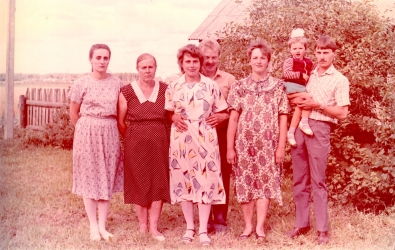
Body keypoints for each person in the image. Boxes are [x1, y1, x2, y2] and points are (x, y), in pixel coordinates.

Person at [286, 36, 350, 245]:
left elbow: (342, 113)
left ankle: (322, 229)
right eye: (319, 52)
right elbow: (293, 95)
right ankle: (302, 224)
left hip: (320, 128)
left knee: (318, 180)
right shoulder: (308, 74)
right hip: (300, 129)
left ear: (333, 54)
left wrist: (317, 105)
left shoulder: (340, 79)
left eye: (326, 52)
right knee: (299, 179)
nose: (322, 56)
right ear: (315, 52)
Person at [165, 44, 228, 246]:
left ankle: (202, 230)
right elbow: (168, 112)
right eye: (187, 62)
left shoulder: (210, 85)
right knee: (183, 180)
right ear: (181, 64)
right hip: (182, 137)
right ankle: (189, 227)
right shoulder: (174, 86)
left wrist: (218, 117)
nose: (191, 65)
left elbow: (224, 111)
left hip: (205, 137)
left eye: (195, 61)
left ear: (200, 63)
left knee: (205, 179)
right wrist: (173, 116)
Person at [227, 39, 289, 241]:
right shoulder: (239, 86)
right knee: (245, 183)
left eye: (263, 57)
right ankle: (247, 226)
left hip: (269, 145)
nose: (259, 61)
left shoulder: (278, 86)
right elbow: (234, 118)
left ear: (269, 61)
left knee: (265, 183)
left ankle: (260, 227)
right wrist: (230, 148)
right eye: (255, 57)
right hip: (244, 145)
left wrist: (281, 146)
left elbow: (283, 116)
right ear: (249, 61)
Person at [68, 44, 123, 241]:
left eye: (105, 58)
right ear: (90, 59)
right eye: (98, 57)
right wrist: (85, 129)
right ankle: (93, 226)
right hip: (87, 131)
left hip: (109, 130)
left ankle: (102, 226)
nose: (102, 61)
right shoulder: (81, 83)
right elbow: (74, 112)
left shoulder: (117, 83)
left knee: (106, 175)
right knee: (89, 177)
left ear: (109, 60)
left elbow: (121, 109)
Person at [117, 53, 170, 241]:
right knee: (138, 180)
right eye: (143, 67)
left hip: (159, 140)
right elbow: (121, 121)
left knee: (158, 180)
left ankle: (154, 227)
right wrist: (134, 137)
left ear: (155, 68)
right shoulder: (127, 91)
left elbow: (170, 115)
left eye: (151, 67)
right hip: (136, 142)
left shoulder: (165, 89)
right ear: (137, 69)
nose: (147, 71)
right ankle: (142, 225)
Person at [198, 38, 236, 233]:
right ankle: (204, 217)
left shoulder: (229, 80)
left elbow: (236, 108)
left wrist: (223, 116)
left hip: (221, 132)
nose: (210, 61)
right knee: (201, 172)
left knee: (221, 172)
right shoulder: (192, 77)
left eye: (214, 57)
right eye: (206, 57)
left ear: (219, 57)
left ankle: (220, 216)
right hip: (198, 134)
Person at [283, 28, 314, 146]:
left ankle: (291, 132)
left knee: (300, 105)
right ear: (290, 50)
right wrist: (301, 75)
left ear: (305, 49)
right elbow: (286, 74)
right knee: (307, 97)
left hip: (300, 89)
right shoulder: (289, 61)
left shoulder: (309, 61)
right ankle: (304, 121)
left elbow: (313, 72)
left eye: (300, 48)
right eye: (294, 48)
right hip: (291, 87)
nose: (297, 51)